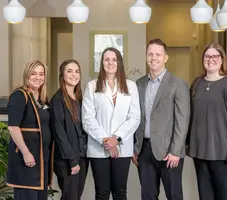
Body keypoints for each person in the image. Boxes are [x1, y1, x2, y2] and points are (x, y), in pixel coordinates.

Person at [186, 43, 227, 200]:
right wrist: (188, 143)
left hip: (225, 153)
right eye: (207, 56)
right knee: (205, 196)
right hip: (200, 151)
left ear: (222, 59)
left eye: (215, 56)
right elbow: (190, 116)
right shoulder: (196, 84)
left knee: (226, 196)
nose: (210, 59)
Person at [133, 38, 190, 200]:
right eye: (150, 54)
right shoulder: (139, 84)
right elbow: (136, 117)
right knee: (148, 196)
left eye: (158, 54)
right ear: (146, 56)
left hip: (169, 152)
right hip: (144, 151)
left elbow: (182, 120)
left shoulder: (178, 84)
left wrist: (175, 151)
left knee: (174, 195)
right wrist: (135, 147)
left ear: (165, 57)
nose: (153, 58)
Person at [82, 47, 140, 200]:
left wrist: (116, 139)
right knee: (102, 193)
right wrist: (106, 140)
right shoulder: (92, 86)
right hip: (98, 147)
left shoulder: (131, 86)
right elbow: (88, 119)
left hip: (122, 147)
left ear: (119, 62)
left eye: (114, 59)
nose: (110, 62)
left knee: (120, 193)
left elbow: (134, 118)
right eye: (106, 59)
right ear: (101, 63)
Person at [6, 60, 54, 200]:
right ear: (26, 74)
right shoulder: (19, 96)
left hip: (41, 162)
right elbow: (13, 127)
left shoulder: (42, 99)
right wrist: (26, 153)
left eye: (41, 74)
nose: (38, 77)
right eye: (33, 73)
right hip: (26, 160)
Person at [50, 59, 89, 200]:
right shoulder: (57, 100)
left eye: (77, 71)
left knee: (75, 196)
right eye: (69, 71)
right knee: (70, 197)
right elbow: (59, 134)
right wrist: (72, 161)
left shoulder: (80, 98)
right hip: (67, 160)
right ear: (62, 75)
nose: (74, 74)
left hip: (82, 155)